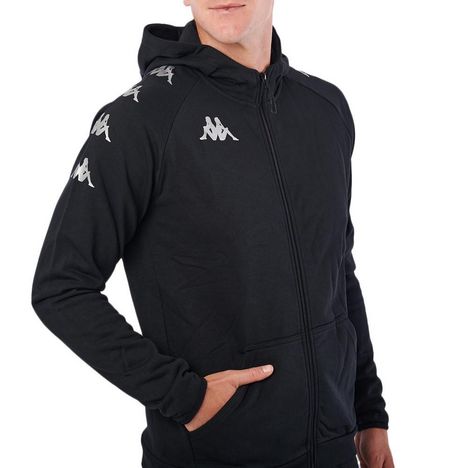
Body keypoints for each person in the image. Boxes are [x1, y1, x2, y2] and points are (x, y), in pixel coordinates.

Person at [31, 1, 395, 467]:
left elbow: (337, 272)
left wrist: (369, 414)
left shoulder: (325, 109)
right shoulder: (138, 121)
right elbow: (62, 287)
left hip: (334, 450)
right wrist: (184, 396)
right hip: (211, 453)